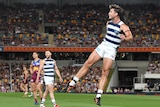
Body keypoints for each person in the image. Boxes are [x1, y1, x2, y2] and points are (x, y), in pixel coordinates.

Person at [67, 4, 133, 106]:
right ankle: (72, 82)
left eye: (111, 12)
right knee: (88, 63)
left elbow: (130, 37)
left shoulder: (123, 26)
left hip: (111, 49)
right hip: (103, 45)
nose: (109, 13)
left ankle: (98, 96)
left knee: (105, 72)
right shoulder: (108, 23)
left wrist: (125, 37)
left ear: (116, 14)